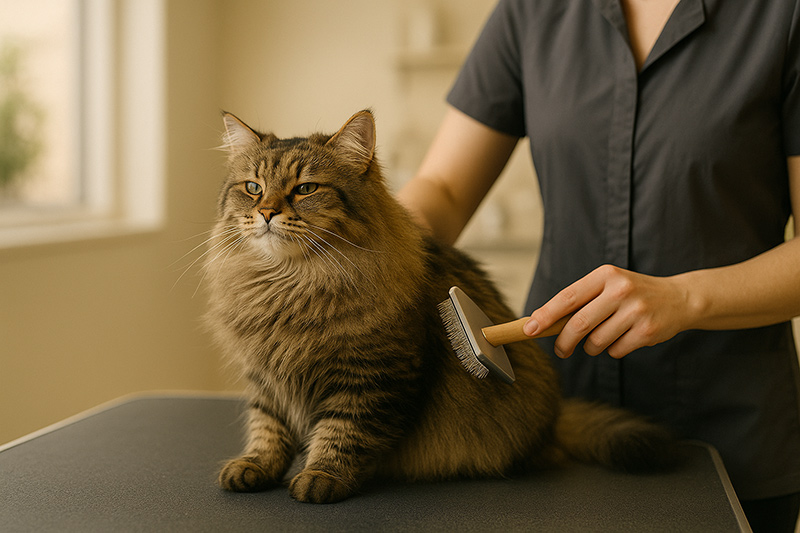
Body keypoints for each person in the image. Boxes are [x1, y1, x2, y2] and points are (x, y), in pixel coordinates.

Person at [397, 1, 800, 531]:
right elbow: (444, 190)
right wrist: (363, 246)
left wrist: (685, 299)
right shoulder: (532, 11)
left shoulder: (784, 15)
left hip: (731, 443)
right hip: (553, 433)